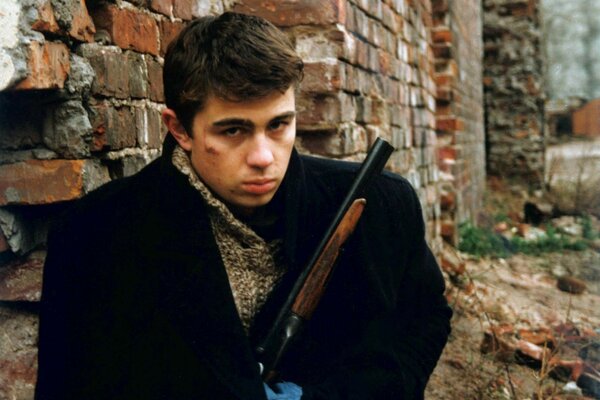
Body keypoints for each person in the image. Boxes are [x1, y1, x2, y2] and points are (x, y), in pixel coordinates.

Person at [35, 11, 451, 400]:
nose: (263, 157)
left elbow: (422, 324)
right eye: (233, 130)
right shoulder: (93, 235)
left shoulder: (380, 205)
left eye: (279, 125)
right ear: (179, 129)